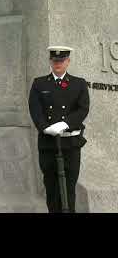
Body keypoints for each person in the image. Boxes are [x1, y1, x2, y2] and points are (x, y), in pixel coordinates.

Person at [28, 46, 90, 213]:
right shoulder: (39, 84)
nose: (58, 64)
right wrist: (45, 128)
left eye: (61, 60)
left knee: (69, 187)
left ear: (68, 62)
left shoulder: (79, 84)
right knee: (52, 188)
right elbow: (35, 109)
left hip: (70, 143)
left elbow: (83, 109)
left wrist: (65, 124)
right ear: (50, 61)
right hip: (48, 144)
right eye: (55, 61)